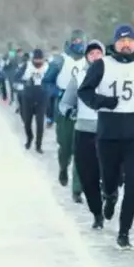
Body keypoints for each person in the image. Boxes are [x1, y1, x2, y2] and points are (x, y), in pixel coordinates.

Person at [78, 24, 134, 250]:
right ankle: (110, 195)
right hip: (108, 134)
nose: (126, 44)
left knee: (133, 183)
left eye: (130, 40)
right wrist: (103, 102)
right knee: (110, 179)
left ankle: (124, 232)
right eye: (121, 40)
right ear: (115, 43)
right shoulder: (102, 65)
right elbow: (84, 91)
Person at [59, 40, 107, 229]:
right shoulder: (79, 77)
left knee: (108, 172)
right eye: (91, 54)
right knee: (87, 176)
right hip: (84, 131)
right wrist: (70, 112)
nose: (95, 57)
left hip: (107, 132)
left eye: (98, 53)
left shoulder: (112, 76)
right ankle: (97, 213)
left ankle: (109, 194)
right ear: (87, 57)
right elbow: (64, 103)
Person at [44, 30, 88, 203]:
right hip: (64, 107)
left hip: (83, 106)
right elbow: (47, 81)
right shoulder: (60, 60)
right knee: (66, 145)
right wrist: (58, 93)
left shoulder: (89, 60)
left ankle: (77, 189)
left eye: (81, 40)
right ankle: (63, 166)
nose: (79, 43)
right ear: (70, 42)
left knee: (81, 148)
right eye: (76, 41)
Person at [18, 49, 49, 153]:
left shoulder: (47, 66)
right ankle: (29, 137)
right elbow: (16, 77)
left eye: (40, 59)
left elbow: (53, 80)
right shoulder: (27, 66)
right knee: (27, 121)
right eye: (36, 59)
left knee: (40, 122)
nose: (38, 62)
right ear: (32, 59)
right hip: (28, 96)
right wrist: (25, 81)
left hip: (42, 97)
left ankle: (38, 145)